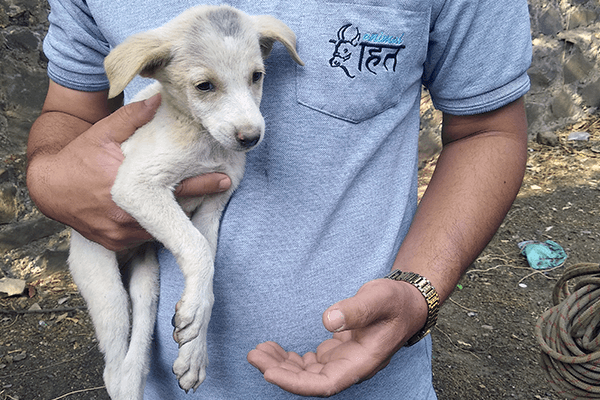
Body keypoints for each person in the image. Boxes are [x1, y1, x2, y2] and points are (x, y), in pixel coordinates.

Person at [26, 0, 532, 398]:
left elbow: (488, 132)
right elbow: (70, 110)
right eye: (206, 86)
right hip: (158, 380)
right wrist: (49, 182)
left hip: (374, 382)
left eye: (253, 78)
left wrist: (418, 289)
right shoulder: (153, 52)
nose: (249, 123)